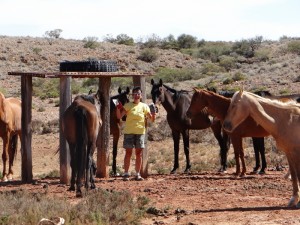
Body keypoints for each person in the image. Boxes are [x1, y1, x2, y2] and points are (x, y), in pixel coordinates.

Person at [116, 86, 156, 181]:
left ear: (141, 95)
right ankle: (126, 173)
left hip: (140, 133)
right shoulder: (128, 105)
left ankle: (137, 174)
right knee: (128, 153)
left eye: (138, 94)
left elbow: (152, 120)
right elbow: (119, 116)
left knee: (139, 153)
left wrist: (153, 114)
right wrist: (118, 108)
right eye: (135, 94)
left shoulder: (144, 106)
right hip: (129, 132)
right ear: (132, 95)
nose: (136, 95)